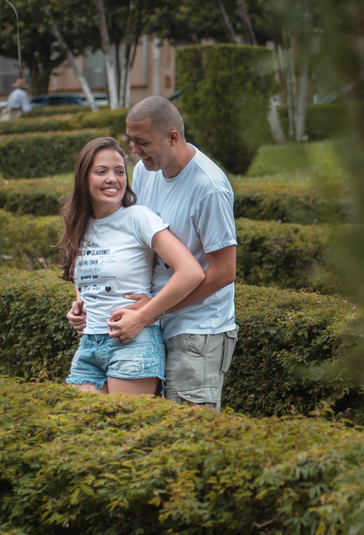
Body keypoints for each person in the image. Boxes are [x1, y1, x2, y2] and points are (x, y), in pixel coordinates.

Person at [67, 96, 238, 408]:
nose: (134, 151)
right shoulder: (147, 171)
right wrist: (89, 299)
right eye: (130, 141)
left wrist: (151, 312)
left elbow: (224, 273)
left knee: (185, 432)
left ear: (172, 137)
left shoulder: (209, 187)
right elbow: (123, 241)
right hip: (153, 321)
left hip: (197, 328)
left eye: (142, 142)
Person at [60, 137, 204, 396]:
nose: (113, 179)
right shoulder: (79, 225)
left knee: (123, 432)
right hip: (89, 345)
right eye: (101, 171)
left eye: (119, 171)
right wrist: (80, 302)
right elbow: (86, 276)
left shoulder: (138, 217)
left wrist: (144, 314)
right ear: (83, 177)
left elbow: (191, 271)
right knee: (84, 431)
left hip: (133, 343)